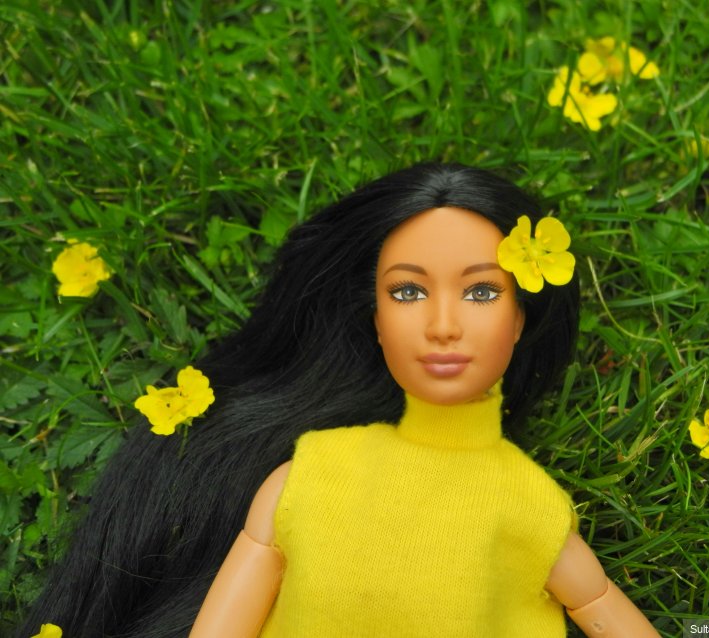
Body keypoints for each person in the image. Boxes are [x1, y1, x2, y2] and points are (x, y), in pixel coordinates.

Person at [19, 163, 658, 638]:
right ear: (374, 319)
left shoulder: (528, 506)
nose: (443, 325)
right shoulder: (309, 478)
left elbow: (600, 606)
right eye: (407, 292)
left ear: (520, 321)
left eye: (481, 292)